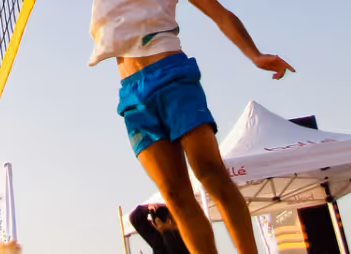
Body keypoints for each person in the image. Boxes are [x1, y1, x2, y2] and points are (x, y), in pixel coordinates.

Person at [87, 0, 295, 252]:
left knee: (210, 172)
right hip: (132, 93)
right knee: (174, 196)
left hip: (172, 74)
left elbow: (220, 13)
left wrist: (255, 55)